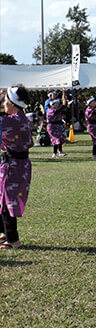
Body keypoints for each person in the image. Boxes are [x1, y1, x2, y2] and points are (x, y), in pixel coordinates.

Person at [0, 86, 34, 249]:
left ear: (12, 104)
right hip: (19, 164)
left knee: (7, 201)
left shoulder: (10, 121)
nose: (4, 104)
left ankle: (13, 240)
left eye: (6, 101)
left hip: (13, 165)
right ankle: (4, 233)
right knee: (4, 199)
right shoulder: (22, 118)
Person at [46, 89, 68, 158]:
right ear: (53, 104)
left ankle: (60, 152)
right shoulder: (51, 110)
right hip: (52, 126)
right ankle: (55, 153)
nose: (58, 104)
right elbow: (62, 107)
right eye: (56, 104)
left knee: (59, 138)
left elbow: (63, 105)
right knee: (56, 138)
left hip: (57, 126)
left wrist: (63, 93)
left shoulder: (56, 110)